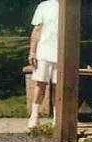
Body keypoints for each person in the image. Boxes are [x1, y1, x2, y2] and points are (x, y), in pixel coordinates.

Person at [28, 0, 59, 129]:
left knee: (59, 87)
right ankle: (34, 116)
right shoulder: (44, 6)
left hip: (62, 55)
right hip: (44, 52)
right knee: (40, 84)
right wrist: (32, 52)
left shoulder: (70, 6)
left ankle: (58, 118)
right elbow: (37, 30)